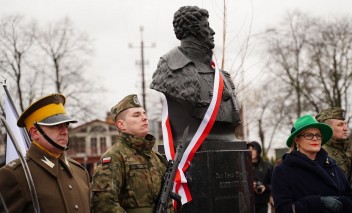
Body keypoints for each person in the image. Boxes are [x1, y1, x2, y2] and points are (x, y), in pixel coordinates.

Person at [150, 5, 241, 147]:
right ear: (193, 31)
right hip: (189, 151)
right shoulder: (171, 69)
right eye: (206, 26)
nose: (212, 32)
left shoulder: (222, 77)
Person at [0, 93, 90, 212]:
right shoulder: (16, 175)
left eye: (66, 125)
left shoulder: (80, 172)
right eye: (56, 125)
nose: (64, 131)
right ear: (35, 133)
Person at [91, 94, 173, 213]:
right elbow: (103, 204)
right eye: (136, 115)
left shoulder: (156, 158)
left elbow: (167, 201)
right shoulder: (114, 156)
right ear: (121, 124)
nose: (144, 118)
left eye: (144, 113)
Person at [272, 115, 352, 213]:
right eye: (309, 135)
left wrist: (341, 203)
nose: (315, 139)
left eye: (318, 135)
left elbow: (349, 196)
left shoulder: (332, 166)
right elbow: (283, 209)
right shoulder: (283, 171)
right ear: (297, 139)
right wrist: (318, 202)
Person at [316, 107, 352, 182]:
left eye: (345, 124)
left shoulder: (346, 148)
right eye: (340, 125)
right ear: (327, 128)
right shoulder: (319, 153)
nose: (346, 128)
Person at [247, 141, 273, 213]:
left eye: (254, 149)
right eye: (249, 149)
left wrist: (265, 187)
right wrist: (248, 186)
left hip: (262, 202)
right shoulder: (243, 166)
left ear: (258, 150)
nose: (251, 152)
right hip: (247, 202)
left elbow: (274, 184)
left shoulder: (267, 166)